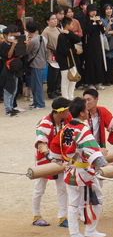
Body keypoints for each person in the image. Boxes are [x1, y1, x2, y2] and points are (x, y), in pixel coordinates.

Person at [57, 97, 108, 237]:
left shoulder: (65, 129)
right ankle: (90, 230)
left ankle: (74, 233)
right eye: (86, 110)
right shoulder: (82, 129)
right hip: (83, 172)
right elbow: (92, 151)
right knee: (95, 200)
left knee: (73, 203)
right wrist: (105, 165)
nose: (88, 111)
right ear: (82, 113)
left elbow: (55, 146)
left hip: (69, 169)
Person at [32, 97, 70, 227]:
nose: (69, 113)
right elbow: (41, 143)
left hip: (60, 159)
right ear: (61, 111)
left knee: (62, 188)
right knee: (39, 189)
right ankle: (36, 216)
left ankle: (62, 217)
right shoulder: (45, 123)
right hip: (44, 159)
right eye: (67, 110)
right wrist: (50, 158)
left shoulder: (66, 120)